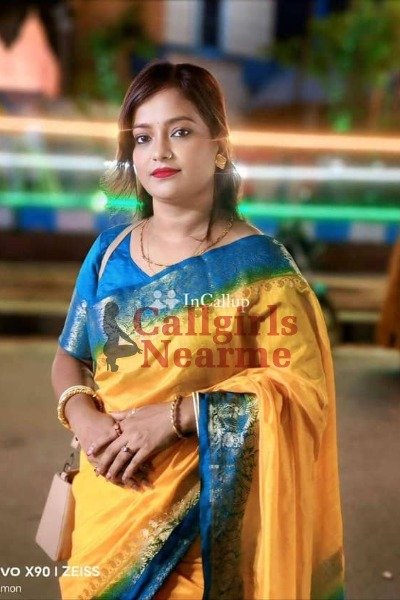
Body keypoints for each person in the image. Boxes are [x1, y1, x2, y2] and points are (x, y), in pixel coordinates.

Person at [51, 60, 345, 600]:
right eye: (143, 137)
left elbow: (303, 394)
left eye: (181, 132)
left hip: (209, 523)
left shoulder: (261, 270)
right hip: (107, 501)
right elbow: (71, 357)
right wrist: (84, 418)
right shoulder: (109, 252)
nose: (159, 152)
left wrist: (178, 416)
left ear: (220, 148)